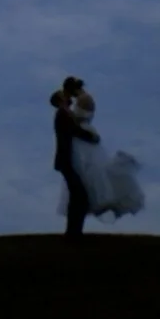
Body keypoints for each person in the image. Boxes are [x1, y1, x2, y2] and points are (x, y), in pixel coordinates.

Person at [55, 76, 145, 223]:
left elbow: (76, 121)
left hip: (83, 137)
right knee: (83, 179)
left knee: (87, 174)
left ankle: (75, 224)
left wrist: (68, 113)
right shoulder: (83, 99)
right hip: (81, 136)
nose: (69, 96)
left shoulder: (84, 99)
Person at [52, 89, 99, 240]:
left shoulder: (66, 113)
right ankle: (73, 233)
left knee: (78, 196)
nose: (67, 95)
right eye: (64, 95)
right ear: (60, 99)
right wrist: (91, 136)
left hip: (66, 160)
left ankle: (74, 232)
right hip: (65, 160)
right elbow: (74, 130)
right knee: (80, 195)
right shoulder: (62, 114)